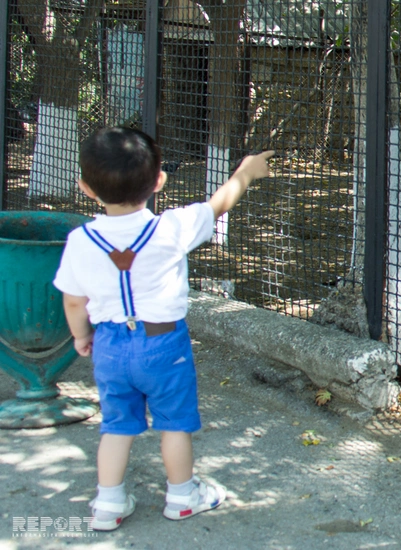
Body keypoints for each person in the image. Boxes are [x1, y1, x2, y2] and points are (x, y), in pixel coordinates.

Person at [53, 127, 273, 531]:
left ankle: (109, 504)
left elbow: (72, 300)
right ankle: (182, 495)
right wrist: (246, 171)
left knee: (116, 426)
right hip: (163, 342)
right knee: (174, 421)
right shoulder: (172, 227)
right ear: (159, 181)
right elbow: (217, 205)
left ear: (84, 187)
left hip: (110, 345)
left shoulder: (80, 240)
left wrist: (82, 335)